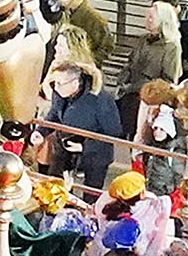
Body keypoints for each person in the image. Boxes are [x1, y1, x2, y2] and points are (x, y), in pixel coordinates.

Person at [39, 61, 124, 193]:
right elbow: (54, 114)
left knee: (91, 193)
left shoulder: (100, 100)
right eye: (53, 83)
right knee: (56, 187)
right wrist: (41, 132)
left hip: (96, 154)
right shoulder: (60, 93)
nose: (55, 87)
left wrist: (85, 147)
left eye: (60, 83)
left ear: (75, 83)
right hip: (65, 146)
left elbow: (114, 131)